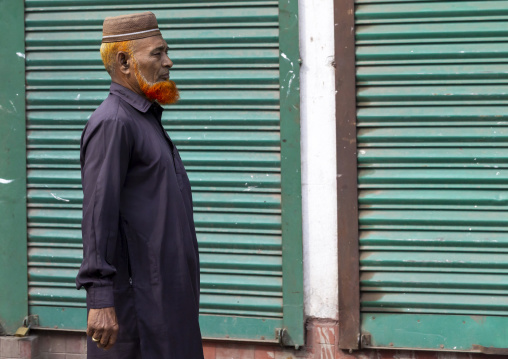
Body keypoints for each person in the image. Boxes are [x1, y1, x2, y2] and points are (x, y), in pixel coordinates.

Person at [76, 12, 204, 359]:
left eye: (166, 52)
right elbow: (98, 214)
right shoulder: (114, 123)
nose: (168, 62)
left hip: (166, 302)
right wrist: (100, 298)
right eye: (157, 53)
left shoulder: (143, 119)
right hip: (139, 312)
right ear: (124, 62)